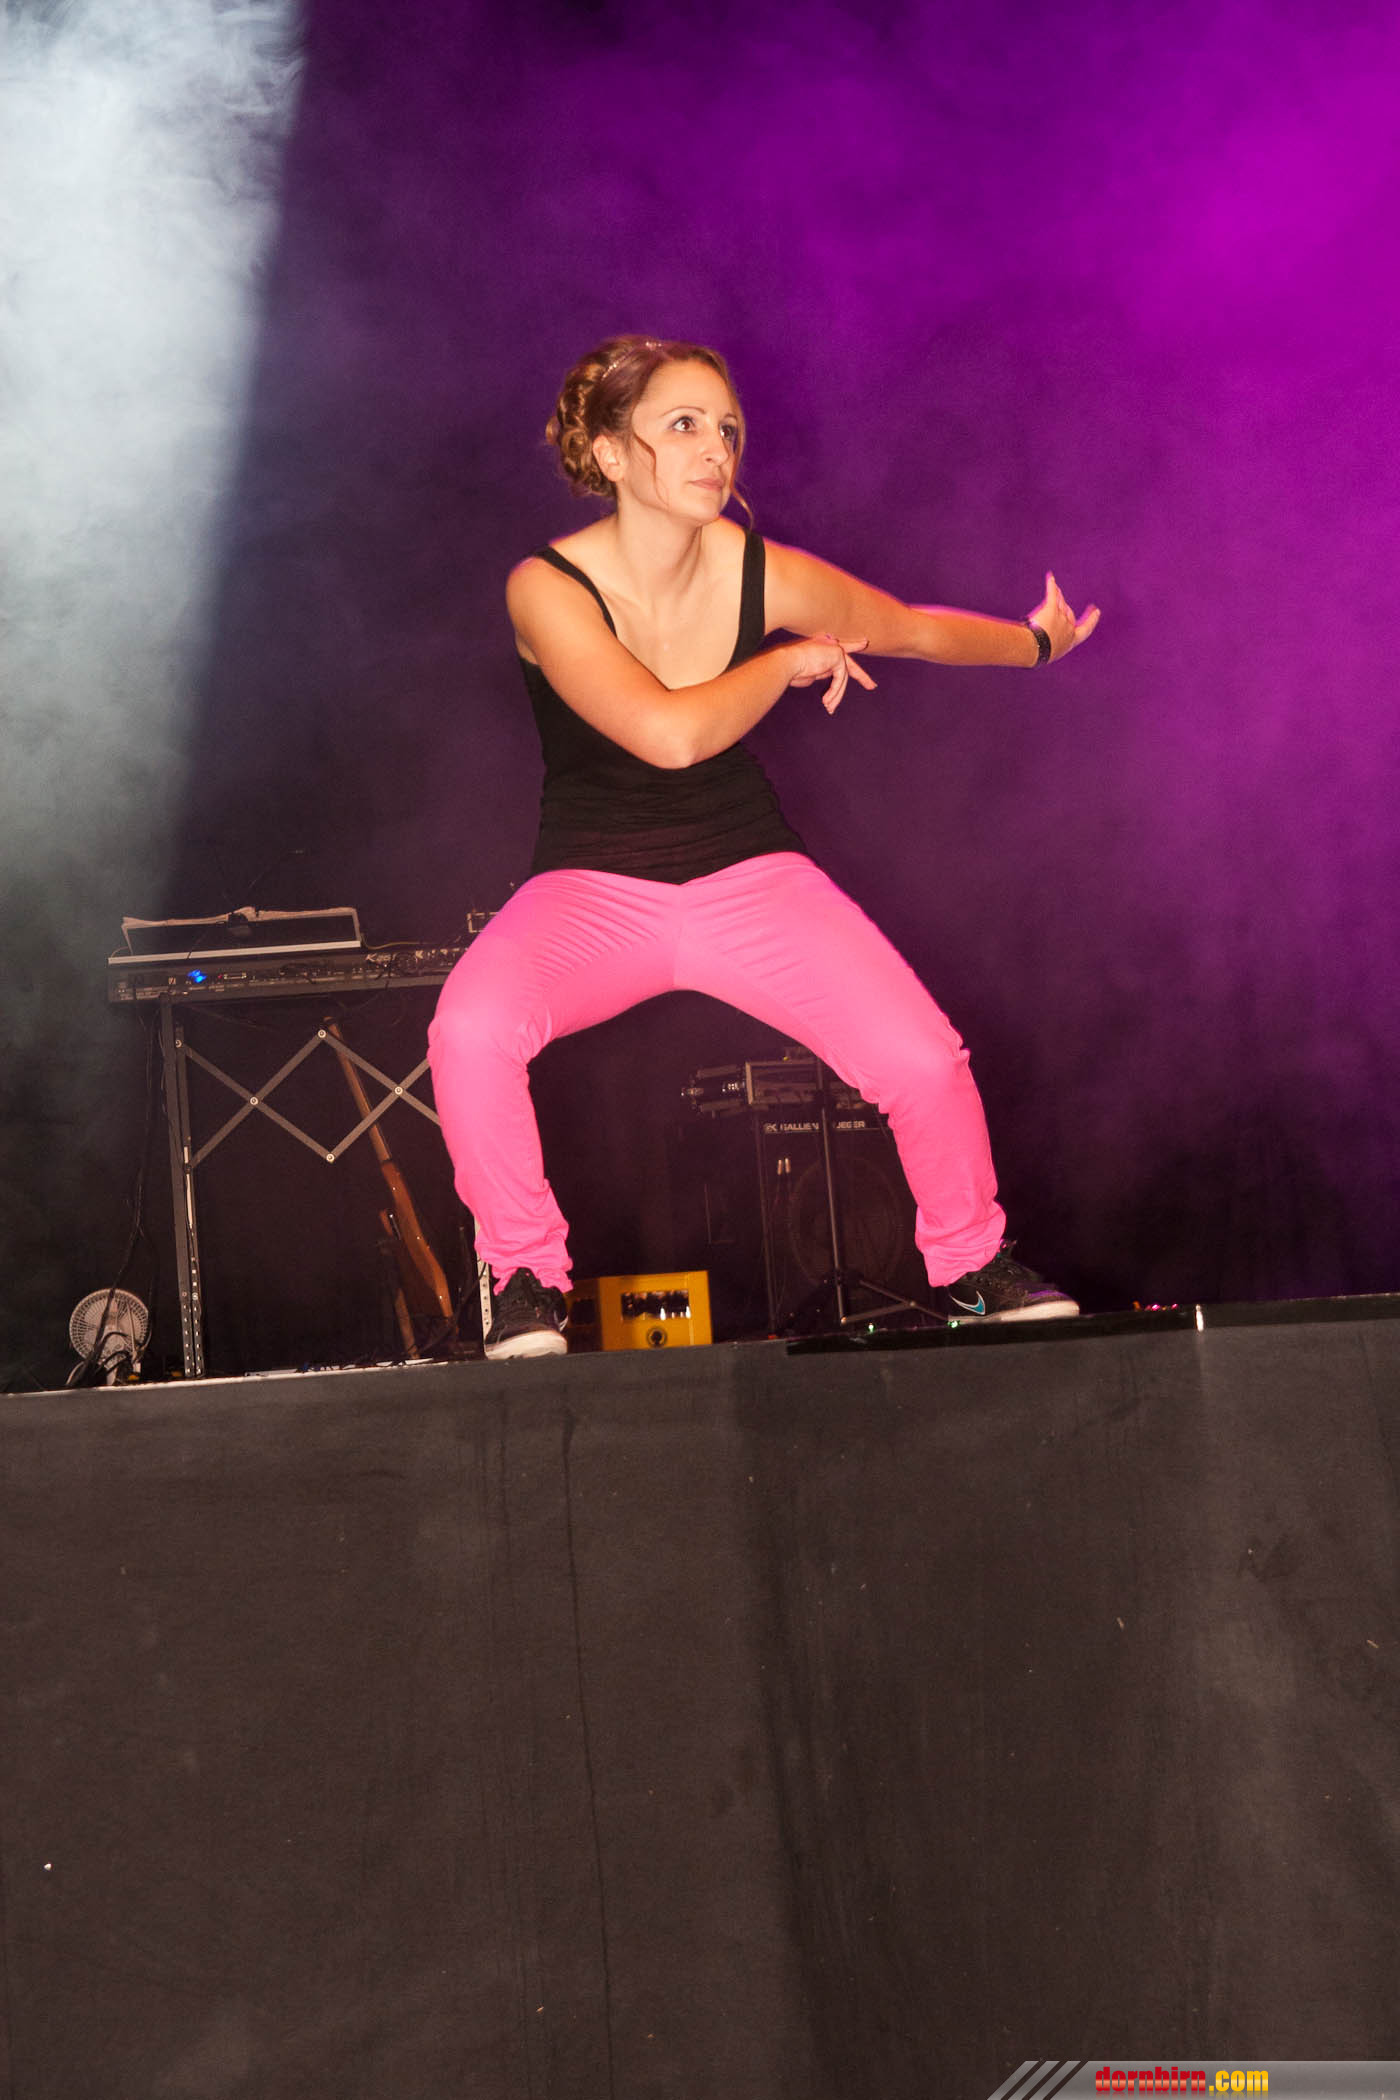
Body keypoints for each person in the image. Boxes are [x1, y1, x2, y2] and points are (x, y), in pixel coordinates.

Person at [428, 335, 1100, 1359]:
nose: (716, 450)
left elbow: (908, 628)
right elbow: (667, 734)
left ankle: (972, 1266)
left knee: (923, 1060)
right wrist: (785, 663)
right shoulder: (545, 585)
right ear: (611, 454)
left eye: (727, 430)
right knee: (469, 1030)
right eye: (683, 426)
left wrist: (1037, 644)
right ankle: (524, 1279)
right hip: (592, 886)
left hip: (749, 873)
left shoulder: (760, 571)